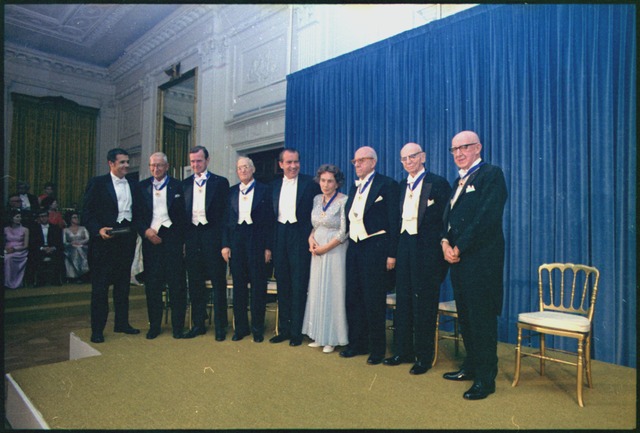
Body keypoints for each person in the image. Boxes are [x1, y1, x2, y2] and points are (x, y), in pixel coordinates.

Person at [441, 130, 508, 400]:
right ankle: (470, 366)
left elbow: (485, 219)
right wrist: (445, 242)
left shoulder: (491, 175)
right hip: (459, 261)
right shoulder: (458, 181)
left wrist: (459, 247)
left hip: (481, 262)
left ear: (478, 147)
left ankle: (485, 379)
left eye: (464, 147)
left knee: (481, 319)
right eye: (454, 149)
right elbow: (448, 218)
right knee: (466, 317)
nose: (458, 153)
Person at [383, 143, 451, 374]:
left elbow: (445, 221)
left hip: (428, 251)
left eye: (413, 156)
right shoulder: (401, 185)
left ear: (423, 157)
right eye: (404, 158)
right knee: (403, 301)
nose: (409, 161)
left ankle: (423, 357)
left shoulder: (438, 183)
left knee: (424, 304)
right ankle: (403, 351)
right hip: (405, 247)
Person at [340, 146, 399, 365]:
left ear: (373, 162)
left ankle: (377, 349)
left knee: (373, 300)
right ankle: (357, 344)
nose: (357, 164)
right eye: (354, 161)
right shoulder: (355, 188)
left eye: (361, 161)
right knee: (354, 297)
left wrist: (392, 253)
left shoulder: (388, 184)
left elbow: (394, 221)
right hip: (354, 247)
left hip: (376, 248)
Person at [82, 148, 140, 343]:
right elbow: (86, 214)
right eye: (122, 162)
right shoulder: (98, 183)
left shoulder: (133, 184)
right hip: (104, 242)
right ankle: (97, 330)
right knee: (100, 288)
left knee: (123, 285)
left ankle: (121, 323)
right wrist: (98, 230)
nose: (126, 165)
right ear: (111, 163)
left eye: (127, 162)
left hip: (126, 241)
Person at [270, 148, 321, 346]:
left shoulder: (311, 184)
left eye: (296, 162)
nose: (293, 166)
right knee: (283, 284)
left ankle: (297, 332)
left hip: (301, 237)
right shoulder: (273, 186)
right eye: (289, 162)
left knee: (299, 285)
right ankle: (284, 329)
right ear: (281, 164)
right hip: (280, 236)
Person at [134, 152, 188, 340]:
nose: (155, 169)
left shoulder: (178, 186)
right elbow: (136, 216)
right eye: (152, 166)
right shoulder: (141, 187)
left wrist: (181, 241)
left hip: (172, 239)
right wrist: (146, 231)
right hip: (151, 239)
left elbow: (183, 217)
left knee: (177, 285)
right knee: (153, 286)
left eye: (159, 165)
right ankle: (154, 326)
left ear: (166, 166)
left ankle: (178, 328)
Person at [221, 157, 274, 343]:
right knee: (239, 287)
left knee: (259, 287)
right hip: (237, 241)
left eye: (245, 167)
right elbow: (226, 221)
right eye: (239, 168)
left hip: (257, 240)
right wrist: (225, 244)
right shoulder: (231, 192)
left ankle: (257, 328)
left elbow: (270, 222)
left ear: (253, 169)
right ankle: (241, 328)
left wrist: (268, 247)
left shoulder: (265, 191)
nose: (242, 170)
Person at [182, 146, 230, 341]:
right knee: (195, 283)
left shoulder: (220, 182)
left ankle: (220, 326)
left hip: (213, 238)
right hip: (193, 237)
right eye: (192, 161)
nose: (195, 165)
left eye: (199, 161)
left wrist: (224, 243)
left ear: (207, 160)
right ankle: (198, 324)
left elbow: (226, 215)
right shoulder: (184, 184)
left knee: (218, 283)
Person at [302, 164, 349, 353]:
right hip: (317, 251)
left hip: (335, 251)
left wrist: (325, 248)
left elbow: (344, 231)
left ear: (337, 183)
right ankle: (319, 335)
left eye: (330, 181)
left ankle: (332, 338)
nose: (326, 184)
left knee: (332, 291)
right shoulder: (316, 199)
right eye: (323, 180)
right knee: (317, 290)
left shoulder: (344, 200)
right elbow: (314, 226)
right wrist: (311, 240)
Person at [28, 209, 64, 286]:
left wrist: (52, 248)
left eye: (45, 216)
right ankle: (39, 281)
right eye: (41, 216)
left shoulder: (55, 227)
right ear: (38, 218)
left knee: (58, 256)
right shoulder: (34, 228)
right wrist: (42, 248)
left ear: (48, 217)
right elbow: (32, 243)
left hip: (52, 249)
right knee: (35, 256)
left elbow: (59, 242)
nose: (43, 218)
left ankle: (56, 280)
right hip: (40, 249)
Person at [4, 209, 29, 289]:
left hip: (20, 250)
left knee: (8, 258)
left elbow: (26, 245)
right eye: (17, 217)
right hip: (7, 249)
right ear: (11, 218)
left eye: (20, 217)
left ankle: (10, 283)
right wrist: (6, 249)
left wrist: (14, 249)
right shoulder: (5, 229)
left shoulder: (25, 229)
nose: (19, 218)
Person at [62, 211, 90, 282]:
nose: (77, 219)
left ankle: (83, 273)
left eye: (77, 217)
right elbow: (64, 242)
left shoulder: (83, 228)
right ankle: (78, 274)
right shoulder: (65, 230)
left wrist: (79, 242)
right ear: (70, 219)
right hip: (70, 248)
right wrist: (72, 243)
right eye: (74, 217)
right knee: (75, 249)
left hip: (83, 246)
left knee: (79, 249)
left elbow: (87, 238)